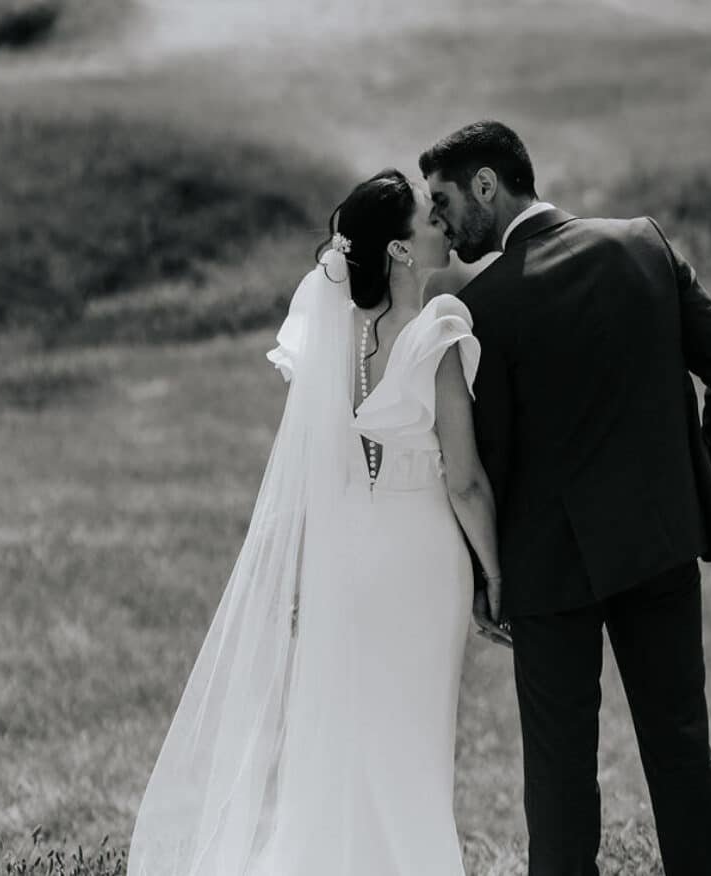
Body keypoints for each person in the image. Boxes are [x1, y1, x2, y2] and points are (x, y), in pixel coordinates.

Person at [127, 168, 508, 876]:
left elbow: (319, 468)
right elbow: (463, 480)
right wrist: (495, 571)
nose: (442, 226)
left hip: (349, 554)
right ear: (398, 250)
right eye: (429, 218)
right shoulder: (439, 331)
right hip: (421, 558)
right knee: (414, 735)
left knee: (350, 729)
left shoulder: (331, 341)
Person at [422, 119, 711, 876]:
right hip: (657, 544)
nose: (440, 220)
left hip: (547, 574)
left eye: (444, 200)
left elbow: (488, 466)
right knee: (680, 748)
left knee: (559, 777)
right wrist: (695, 487)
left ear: (487, 184)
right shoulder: (641, 242)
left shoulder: (487, 306)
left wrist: (486, 579)